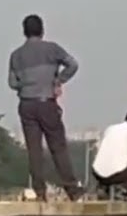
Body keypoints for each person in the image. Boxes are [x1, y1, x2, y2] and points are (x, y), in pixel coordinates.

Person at [8, 14, 85, 200]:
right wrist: (58, 81)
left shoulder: (16, 55)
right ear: (42, 30)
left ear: (24, 32)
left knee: (34, 150)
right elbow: (73, 65)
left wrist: (26, 85)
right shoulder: (52, 49)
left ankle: (40, 192)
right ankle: (72, 189)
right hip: (46, 102)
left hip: (26, 104)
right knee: (58, 146)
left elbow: (12, 82)